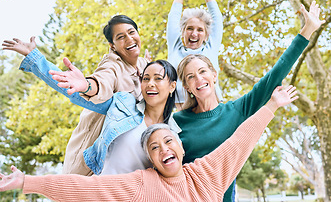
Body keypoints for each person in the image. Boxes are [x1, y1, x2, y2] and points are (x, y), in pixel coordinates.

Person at [0, 86, 298, 201]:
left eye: (168, 141)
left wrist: (271, 105)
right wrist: (27, 181)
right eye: (154, 148)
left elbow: (240, 141)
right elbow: (85, 188)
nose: (163, 149)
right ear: (151, 161)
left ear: (181, 148)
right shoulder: (143, 184)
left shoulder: (207, 174)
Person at [174, 1, 325, 202]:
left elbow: (275, 74)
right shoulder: (176, 121)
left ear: (214, 75)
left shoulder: (237, 110)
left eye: (202, 72)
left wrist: (307, 30)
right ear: (186, 87)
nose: (199, 79)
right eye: (191, 77)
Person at [2, 14, 151, 175]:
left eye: (131, 32)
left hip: (127, 161)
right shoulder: (112, 65)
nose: (129, 39)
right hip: (93, 162)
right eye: (121, 37)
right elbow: (101, 83)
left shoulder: (143, 65)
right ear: (112, 46)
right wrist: (86, 86)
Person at [167, 0, 223, 109]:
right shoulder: (175, 48)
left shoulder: (210, 49)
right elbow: (173, 17)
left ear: (206, 35)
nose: (194, 34)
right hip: (181, 112)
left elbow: (217, 18)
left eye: (200, 30)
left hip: (212, 110)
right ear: (183, 31)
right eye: (190, 28)